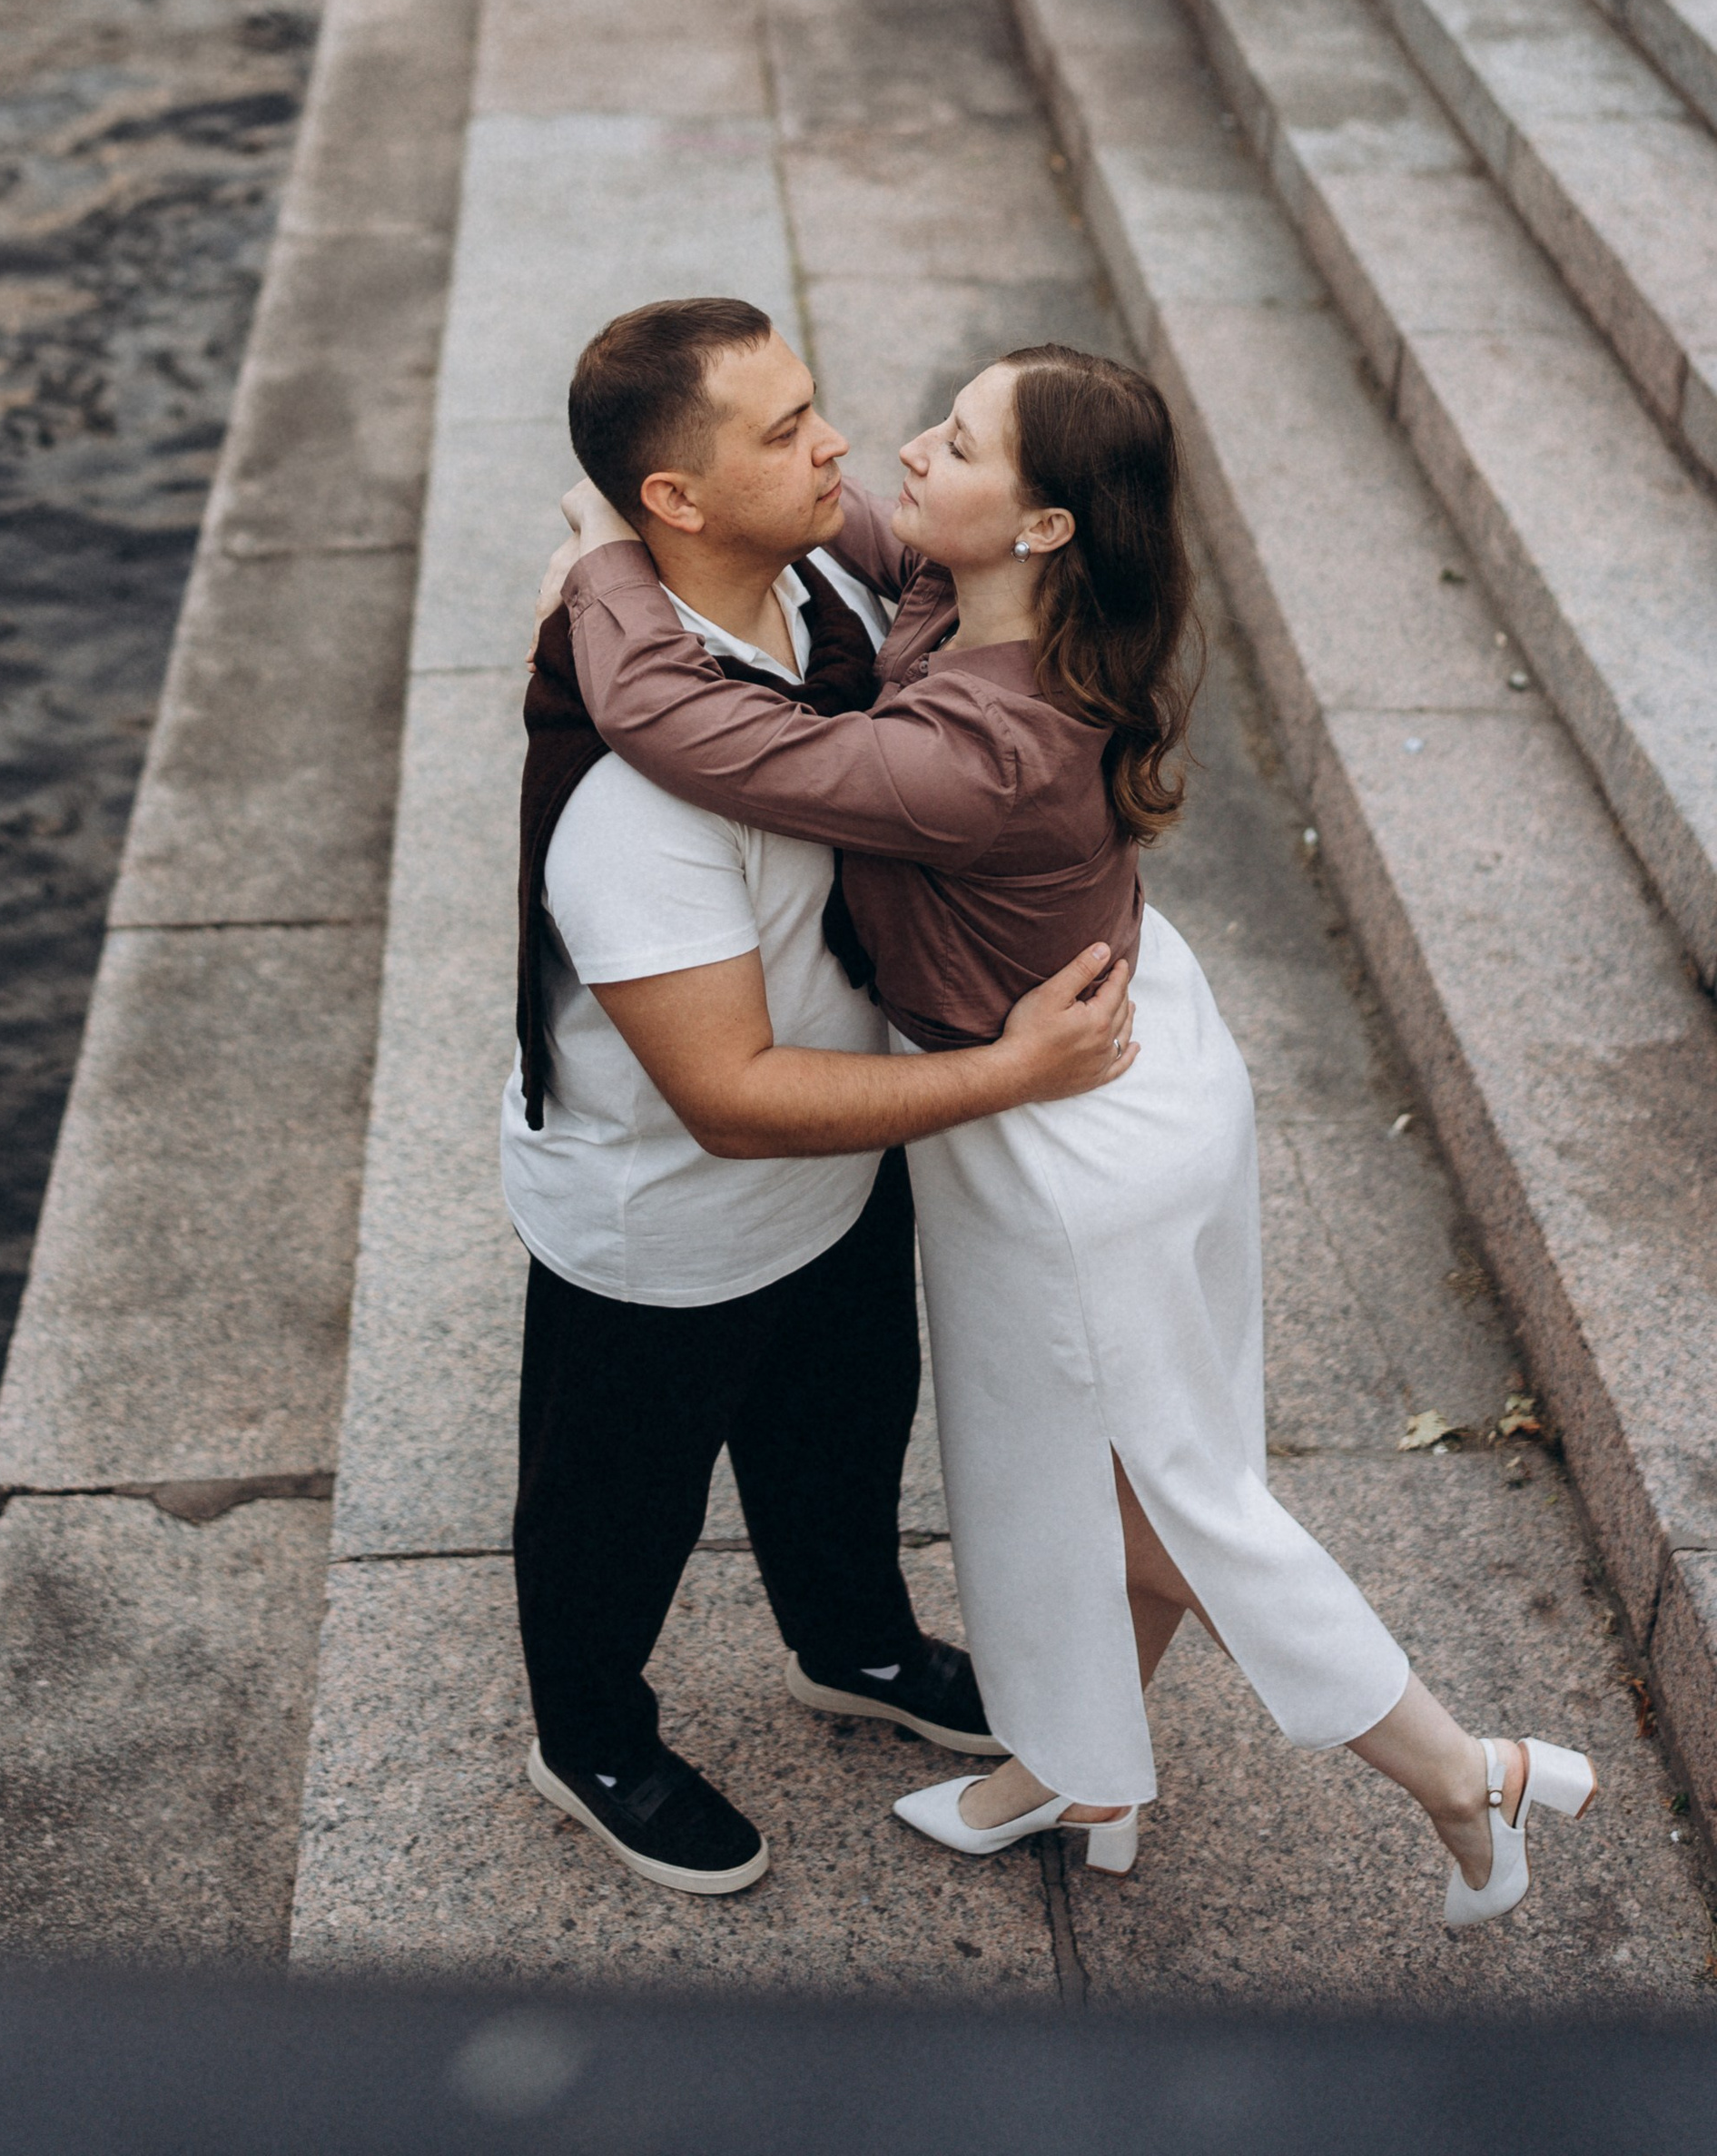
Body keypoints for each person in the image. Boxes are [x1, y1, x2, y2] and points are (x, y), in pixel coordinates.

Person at [547, 322, 1597, 1934]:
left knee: (1167, 1500)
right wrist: (694, 506)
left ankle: (1467, 1775)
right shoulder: (978, 595)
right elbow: (858, 527)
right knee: (1090, 1476)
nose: (889, 454)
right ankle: (1082, 1769)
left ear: (1041, 525)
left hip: (1065, 1131)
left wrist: (615, 550)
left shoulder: (974, 752)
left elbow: (669, 720)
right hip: (1111, 1062)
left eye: (954, 446)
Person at [508, 299, 1137, 1899]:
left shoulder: (837, 578)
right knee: (613, 1511)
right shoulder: (633, 803)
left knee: (843, 1437)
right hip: (676, 1216)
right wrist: (1009, 1075)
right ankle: (588, 1738)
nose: (838, 444)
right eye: (786, 431)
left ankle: (848, 1643)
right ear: (678, 501)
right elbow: (724, 1093)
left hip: (849, 1160)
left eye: (817, 408)